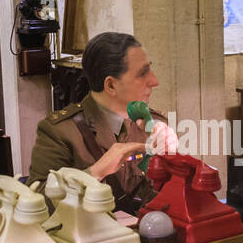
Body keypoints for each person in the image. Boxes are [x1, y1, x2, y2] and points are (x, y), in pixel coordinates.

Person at [26, 32, 176, 214]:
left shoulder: (155, 124)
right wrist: (94, 172)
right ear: (111, 86)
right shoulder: (60, 132)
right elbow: (36, 206)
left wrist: (174, 161)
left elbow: (172, 197)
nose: (154, 81)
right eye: (142, 74)